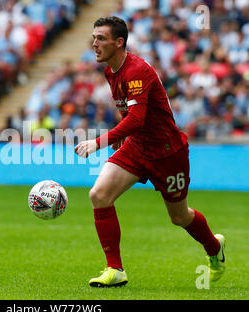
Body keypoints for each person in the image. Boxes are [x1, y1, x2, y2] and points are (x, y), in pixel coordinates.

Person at [74, 17, 226, 287]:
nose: (94, 44)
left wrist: (99, 141)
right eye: (94, 37)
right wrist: (122, 138)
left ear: (119, 42)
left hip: (167, 152)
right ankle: (115, 269)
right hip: (137, 147)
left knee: (179, 217)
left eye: (101, 38)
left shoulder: (136, 70)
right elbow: (127, 111)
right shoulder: (111, 71)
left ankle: (214, 248)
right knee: (99, 195)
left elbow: (137, 119)